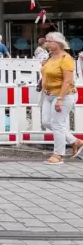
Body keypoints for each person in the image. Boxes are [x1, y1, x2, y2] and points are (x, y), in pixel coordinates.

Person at [40, 32, 83, 164]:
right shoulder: (50, 56)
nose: (47, 44)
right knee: (46, 122)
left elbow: (67, 81)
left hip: (63, 95)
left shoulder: (66, 58)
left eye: (49, 41)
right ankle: (74, 141)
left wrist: (60, 99)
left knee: (57, 124)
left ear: (58, 43)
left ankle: (58, 155)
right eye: (46, 41)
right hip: (48, 94)